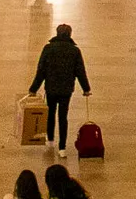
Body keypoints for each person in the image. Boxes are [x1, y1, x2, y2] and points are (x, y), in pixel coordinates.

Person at [28, 23, 92, 159]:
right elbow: (80, 71)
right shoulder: (74, 51)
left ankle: (50, 140)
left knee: (50, 114)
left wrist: (33, 89)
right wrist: (86, 88)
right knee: (63, 117)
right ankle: (62, 147)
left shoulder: (48, 48)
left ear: (57, 33)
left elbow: (41, 70)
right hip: (66, 89)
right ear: (70, 34)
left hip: (51, 88)